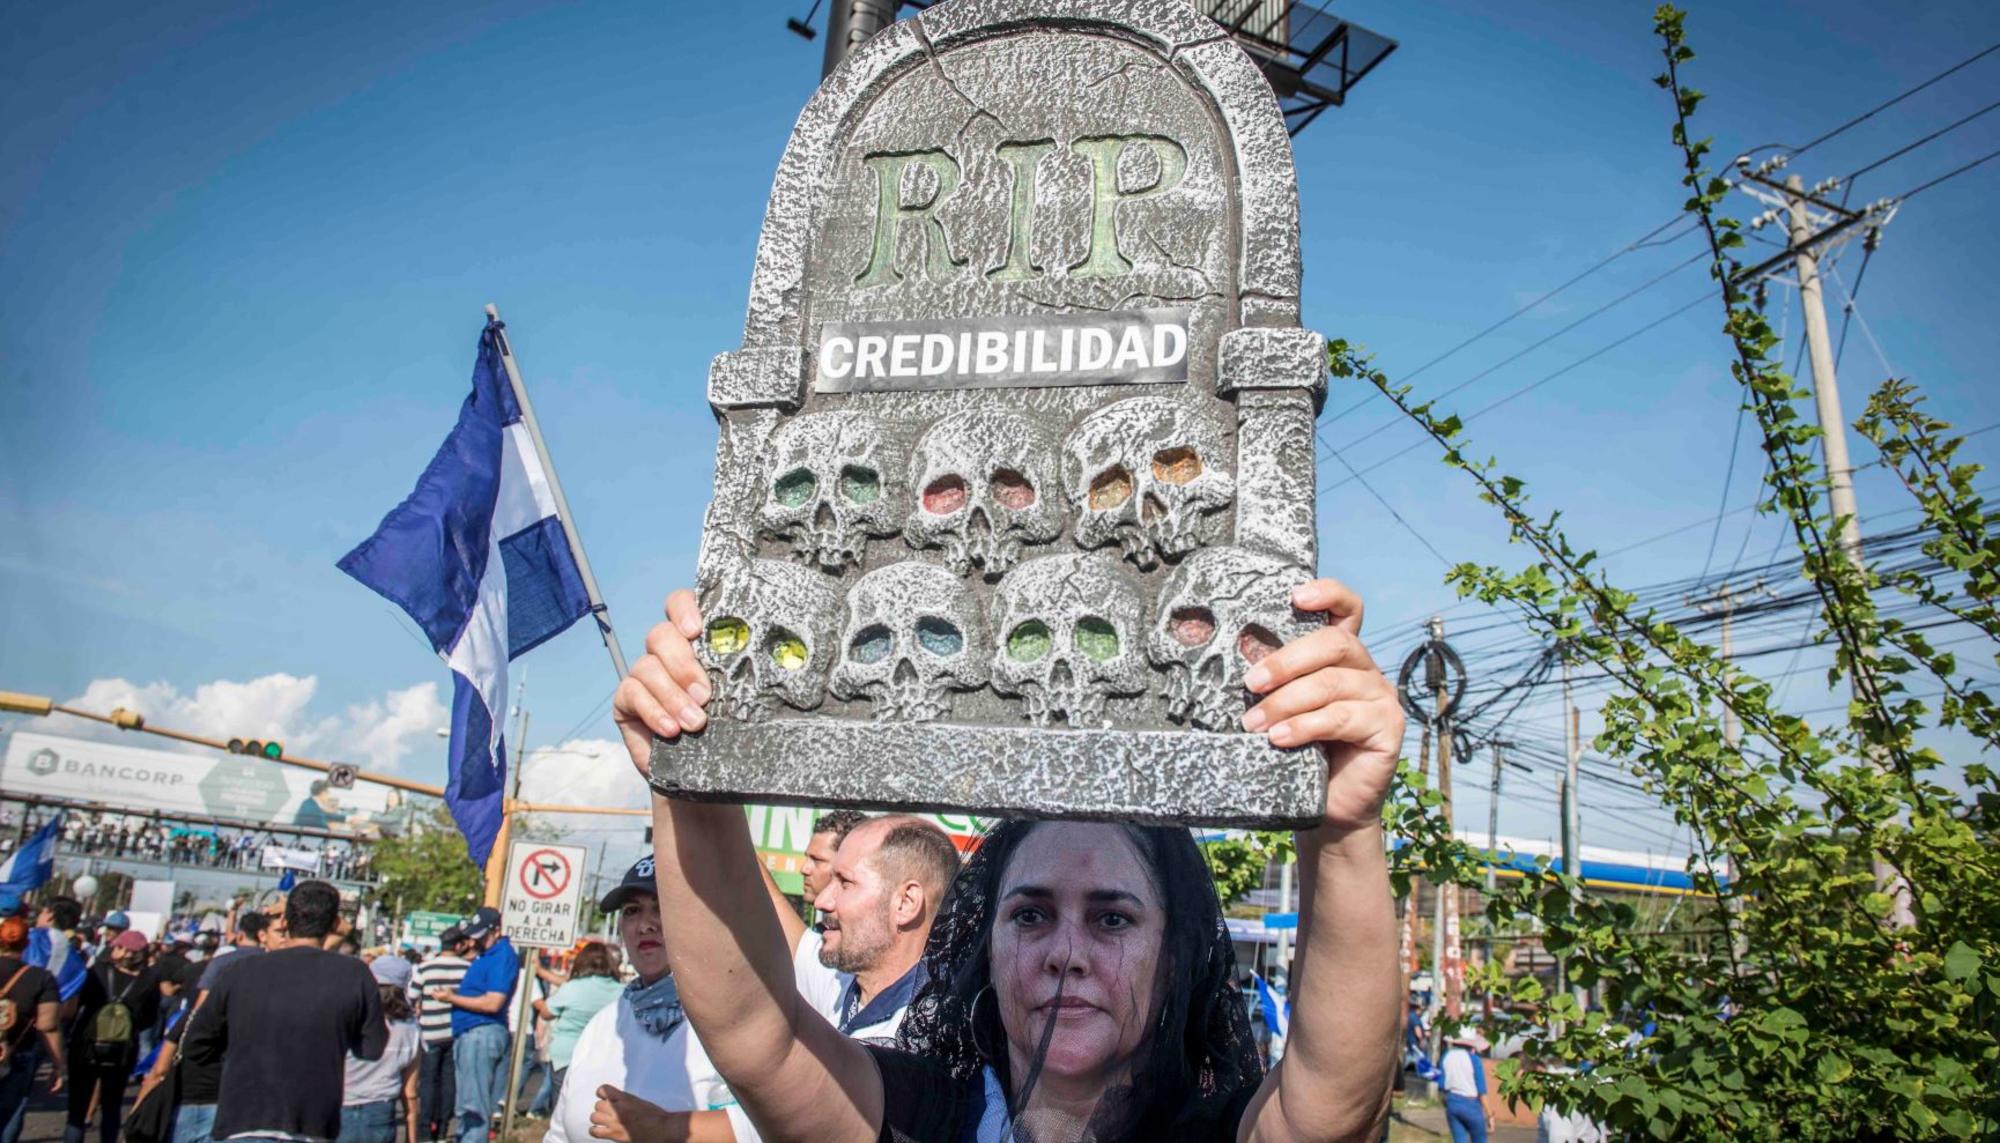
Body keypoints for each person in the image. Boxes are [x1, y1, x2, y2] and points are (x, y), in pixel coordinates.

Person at [613, 579, 1403, 1141]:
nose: (1067, 953)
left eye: (1113, 917)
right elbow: (758, 1034)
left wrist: (1341, 824)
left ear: (1175, 953)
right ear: (983, 944)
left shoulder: (1221, 1130)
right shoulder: (914, 1112)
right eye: (1030, 913)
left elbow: (1335, 1108)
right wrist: (690, 781)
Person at [544, 857, 751, 1143]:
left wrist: (668, 1130)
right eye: (632, 911)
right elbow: (558, 1135)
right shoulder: (605, 1022)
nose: (644, 925)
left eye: (663, 907)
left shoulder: (738, 1023)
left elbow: (773, 1131)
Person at [182, 879, 387, 1142]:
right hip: (312, 1123)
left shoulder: (239, 972)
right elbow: (372, 1048)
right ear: (334, 923)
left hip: (242, 1118)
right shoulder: (354, 974)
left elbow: (196, 1044)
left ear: (285, 921)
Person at [811, 816, 959, 1039]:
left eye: (845, 883)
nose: (822, 901)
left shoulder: (927, 1040)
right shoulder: (841, 982)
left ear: (905, 902)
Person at [429, 907, 516, 1143]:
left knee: (473, 1107)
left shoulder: (502, 955)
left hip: (481, 1032)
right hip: (472, 1033)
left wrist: (451, 998)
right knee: (467, 1105)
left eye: (480, 935)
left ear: (496, 930)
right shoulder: (488, 955)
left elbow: (493, 1002)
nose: (474, 940)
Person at [64, 928, 160, 1143]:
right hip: (122, 1051)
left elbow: (79, 1002)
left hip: (86, 1045)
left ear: (125, 951)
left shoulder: (97, 971)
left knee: (77, 1110)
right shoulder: (149, 980)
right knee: (112, 1107)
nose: (112, 949)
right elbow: (150, 1019)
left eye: (117, 946)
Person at [338, 956, 422, 1143]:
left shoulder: (349, 1018)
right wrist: (412, 1138)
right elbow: (410, 1093)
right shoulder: (410, 1030)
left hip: (340, 1106)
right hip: (381, 1111)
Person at [533, 943, 621, 1111]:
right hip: (604, 1056)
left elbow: (546, 1013)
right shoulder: (622, 991)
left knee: (562, 1107)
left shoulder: (572, 988)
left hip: (566, 1055)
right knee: (593, 1108)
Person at [0, 916, 64, 1131]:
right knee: (7, 1119)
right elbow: (48, 1026)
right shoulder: (41, 978)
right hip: (16, 1054)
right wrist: (58, 1065)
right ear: (27, 943)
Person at [412, 928, 471, 1142]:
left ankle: (426, 1129)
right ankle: (444, 1127)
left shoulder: (425, 968)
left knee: (428, 1081)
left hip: (430, 1032)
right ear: (458, 946)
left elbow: (411, 996)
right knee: (449, 1081)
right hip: (455, 1032)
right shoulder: (468, 968)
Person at [1439, 1031, 1497, 1143]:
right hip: (1471, 1105)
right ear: (1472, 1045)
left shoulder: (1446, 1056)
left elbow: (1441, 1085)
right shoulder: (1474, 1060)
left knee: (1459, 1140)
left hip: (1452, 1102)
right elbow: (1482, 1091)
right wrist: (1490, 1115)